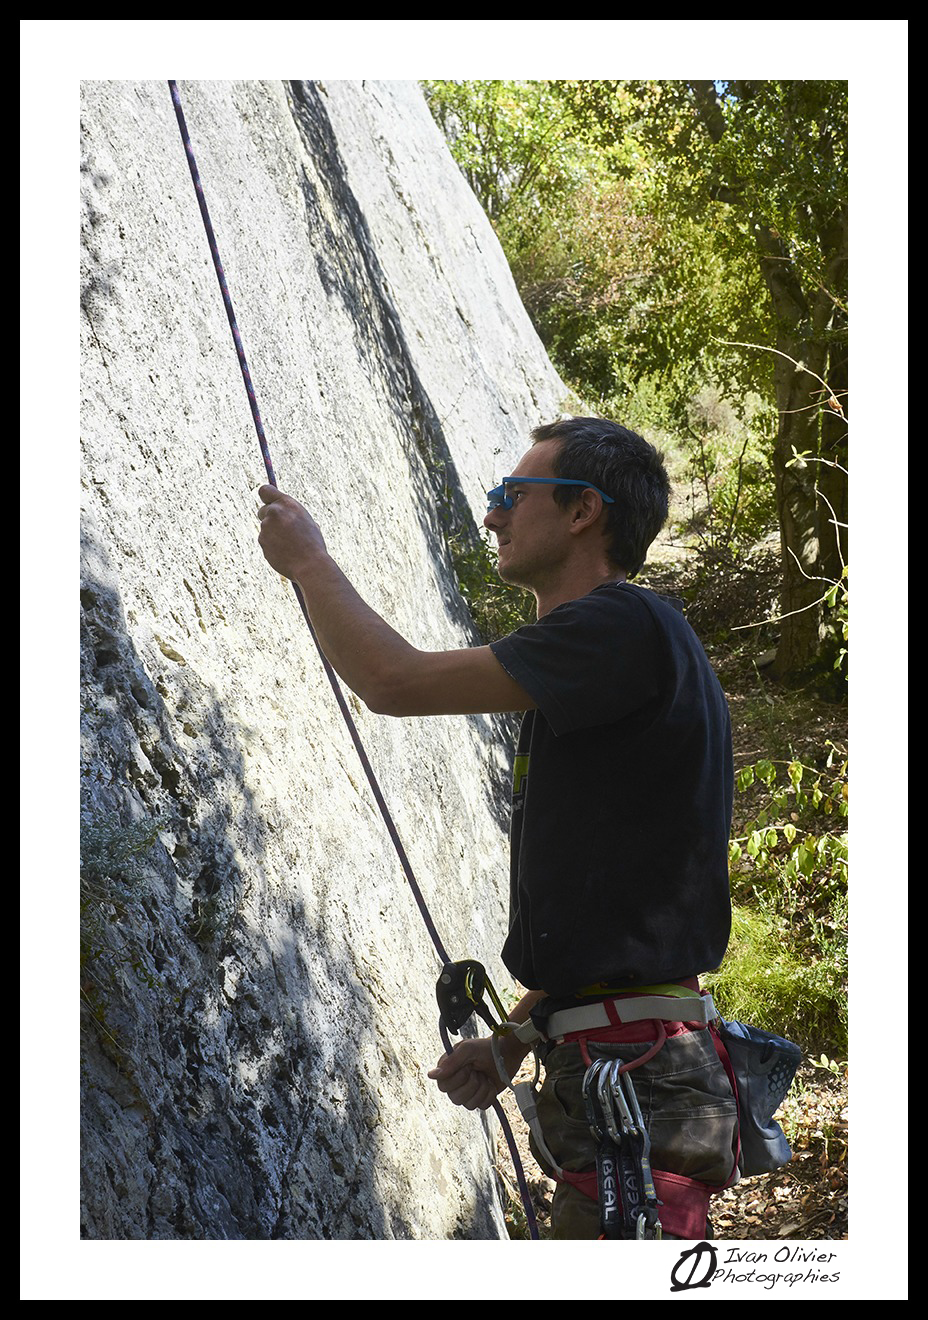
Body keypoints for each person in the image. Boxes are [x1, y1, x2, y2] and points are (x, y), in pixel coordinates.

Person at [257, 416, 737, 1240]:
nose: (491, 516)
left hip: (635, 1077)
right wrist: (514, 1040)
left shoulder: (621, 627)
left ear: (584, 511)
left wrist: (308, 562)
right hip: (628, 1067)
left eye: (512, 495)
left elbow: (394, 681)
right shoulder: (617, 655)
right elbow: (610, 903)